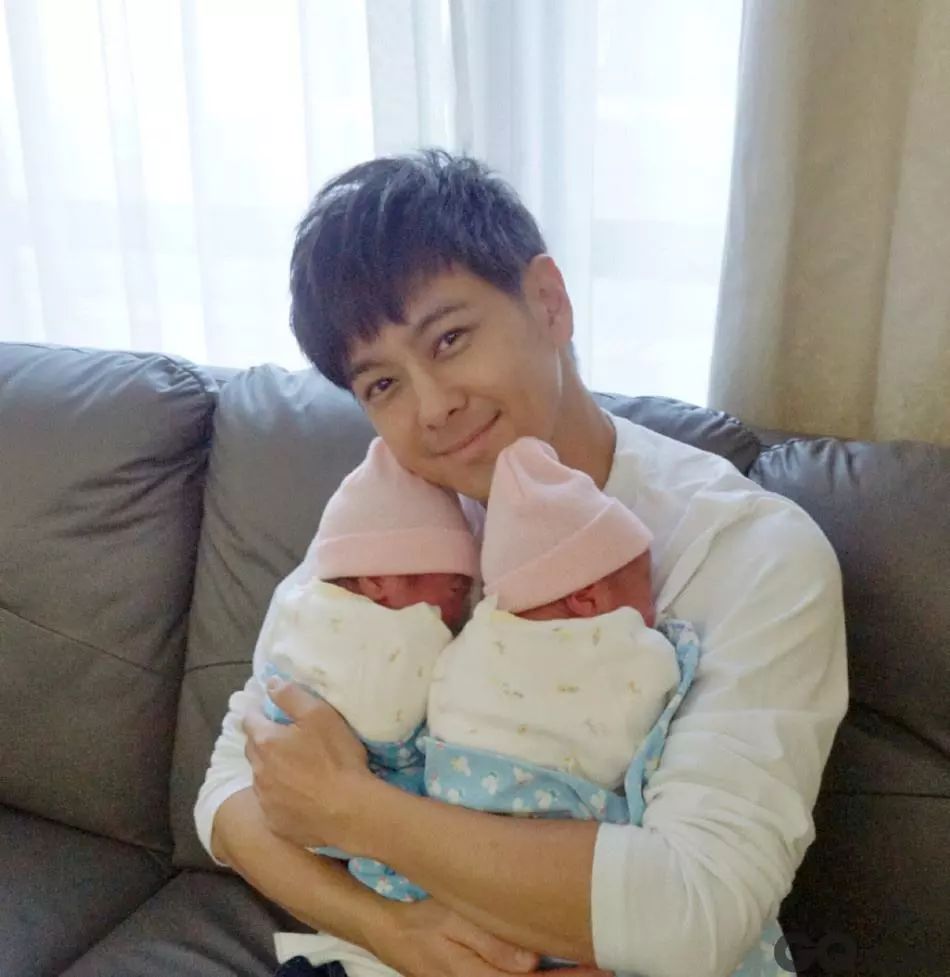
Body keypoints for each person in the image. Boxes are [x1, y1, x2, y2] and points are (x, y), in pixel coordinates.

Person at [194, 149, 848, 977]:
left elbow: (695, 910)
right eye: (383, 385)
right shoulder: (395, 531)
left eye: (450, 339)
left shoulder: (751, 551)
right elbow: (228, 790)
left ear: (549, 302)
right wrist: (391, 930)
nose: (434, 407)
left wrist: (357, 811)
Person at [252, 435, 476, 903]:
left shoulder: (301, 602)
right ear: (376, 581)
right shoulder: (408, 633)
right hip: (351, 784)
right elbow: (395, 718)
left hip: (290, 803)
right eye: (456, 588)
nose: (459, 608)